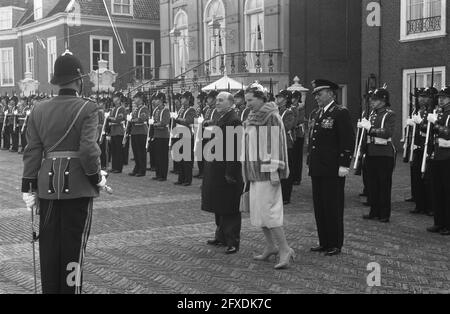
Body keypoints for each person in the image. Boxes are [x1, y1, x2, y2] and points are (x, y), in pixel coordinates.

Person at [21, 50, 107, 294]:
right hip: (78, 187)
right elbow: (89, 151)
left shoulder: (38, 109)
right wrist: (96, 178)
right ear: (79, 80)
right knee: (73, 249)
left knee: (48, 248)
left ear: (57, 81)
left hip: (46, 189)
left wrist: (28, 186)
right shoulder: (88, 108)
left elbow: (32, 151)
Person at [242, 83, 295, 270]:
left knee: (270, 212)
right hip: (255, 172)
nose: (247, 103)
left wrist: (274, 171)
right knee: (259, 212)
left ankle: (284, 248)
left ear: (262, 98)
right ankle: (271, 246)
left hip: (267, 173)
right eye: (246, 100)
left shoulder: (271, 116)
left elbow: (274, 145)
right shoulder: (252, 116)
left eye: (251, 100)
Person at [308, 79, 354, 256]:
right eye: (316, 94)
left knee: (333, 206)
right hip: (318, 167)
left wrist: (344, 164)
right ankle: (324, 241)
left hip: (333, 168)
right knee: (320, 206)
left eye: (320, 93)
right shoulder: (318, 113)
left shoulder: (340, 113)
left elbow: (347, 139)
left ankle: (335, 243)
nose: (317, 97)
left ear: (331, 94)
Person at [202, 92, 243, 255]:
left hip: (227, 169)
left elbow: (234, 149)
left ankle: (233, 240)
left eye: (221, 100)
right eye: (217, 100)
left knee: (230, 206)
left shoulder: (233, 120)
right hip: (216, 167)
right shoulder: (221, 117)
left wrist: (230, 172)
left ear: (230, 103)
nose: (217, 103)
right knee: (218, 203)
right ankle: (220, 236)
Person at [360, 88, 396, 223]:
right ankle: (374, 211)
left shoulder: (389, 114)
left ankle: (384, 213)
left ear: (383, 101)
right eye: (372, 99)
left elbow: (387, 132)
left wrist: (370, 129)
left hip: (384, 154)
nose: (371, 102)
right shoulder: (372, 114)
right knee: (372, 184)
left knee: (384, 184)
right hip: (371, 152)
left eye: (375, 100)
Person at [407, 88, 436, 216]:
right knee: (417, 177)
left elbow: (433, 129)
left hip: (429, 148)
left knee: (428, 179)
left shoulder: (434, 112)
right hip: (418, 147)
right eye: (420, 97)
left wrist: (421, 124)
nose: (421, 99)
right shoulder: (419, 111)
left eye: (425, 97)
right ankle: (419, 204)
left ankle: (430, 206)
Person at [426, 86, 450, 236]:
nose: (441, 99)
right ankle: (439, 221)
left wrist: (436, 124)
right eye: (440, 97)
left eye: (445, 97)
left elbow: (448, 132)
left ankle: (448, 224)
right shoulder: (439, 112)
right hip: (437, 156)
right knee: (437, 190)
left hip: (448, 157)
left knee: (448, 192)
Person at [276, 90, 296, 205]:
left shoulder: (289, 112)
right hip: (276, 143)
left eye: (280, 97)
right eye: (278, 97)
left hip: (286, 144)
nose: (278, 99)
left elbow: (287, 126)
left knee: (286, 170)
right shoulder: (276, 111)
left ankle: (285, 195)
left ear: (286, 99)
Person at [173, 91, 197, 186]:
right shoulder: (181, 109)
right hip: (180, 134)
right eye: (182, 98)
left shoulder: (191, 110)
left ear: (188, 100)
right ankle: (181, 178)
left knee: (187, 159)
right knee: (180, 159)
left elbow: (189, 121)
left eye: (184, 98)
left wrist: (178, 119)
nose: (182, 99)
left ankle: (187, 179)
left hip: (187, 135)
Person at [128, 92, 150, 177]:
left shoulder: (144, 108)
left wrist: (132, 120)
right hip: (135, 131)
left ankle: (142, 170)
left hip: (141, 131)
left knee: (141, 152)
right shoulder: (136, 109)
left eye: (136, 98)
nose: (134, 100)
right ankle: (137, 168)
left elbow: (142, 118)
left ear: (140, 99)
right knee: (136, 152)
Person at [151, 92, 170, 181]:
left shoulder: (165, 110)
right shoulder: (156, 110)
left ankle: (163, 175)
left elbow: (164, 122)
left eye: (157, 99)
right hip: (157, 135)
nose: (156, 101)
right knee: (157, 156)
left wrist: (155, 124)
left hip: (163, 135)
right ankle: (158, 173)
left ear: (162, 100)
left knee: (163, 156)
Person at [108, 92, 126, 173]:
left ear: (119, 100)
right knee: (114, 151)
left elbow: (119, 119)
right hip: (113, 131)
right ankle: (114, 166)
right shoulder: (113, 109)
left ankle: (118, 168)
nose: (114, 99)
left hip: (119, 131)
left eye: (115, 98)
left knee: (118, 151)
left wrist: (110, 118)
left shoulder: (121, 109)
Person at [291, 91, 306, 186]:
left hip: (298, 134)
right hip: (293, 135)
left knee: (297, 157)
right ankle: (292, 176)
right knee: (292, 157)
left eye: (294, 98)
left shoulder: (300, 107)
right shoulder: (291, 107)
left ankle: (297, 177)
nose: (293, 99)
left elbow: (299, 120)